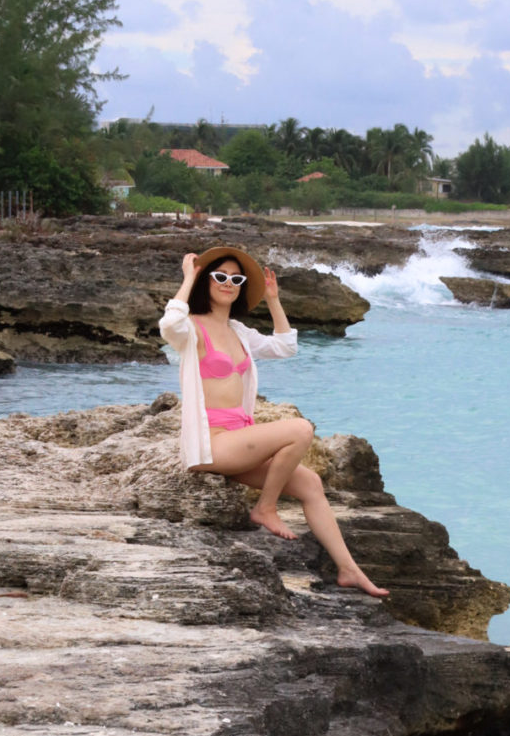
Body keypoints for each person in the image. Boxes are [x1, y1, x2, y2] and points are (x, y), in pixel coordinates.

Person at [160, 246, 389, 598]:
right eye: (219, 276)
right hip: (213, 444)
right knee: (300, 429)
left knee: (310, 483)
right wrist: (188, 277)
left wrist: (273, 300)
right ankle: (265, 508)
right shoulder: (191, 329)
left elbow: (285, 347)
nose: (228, 283)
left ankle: (349, 570)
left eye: (235, 279)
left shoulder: (238, 331)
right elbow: (168, 324)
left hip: (240, 442)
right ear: (207, 281)